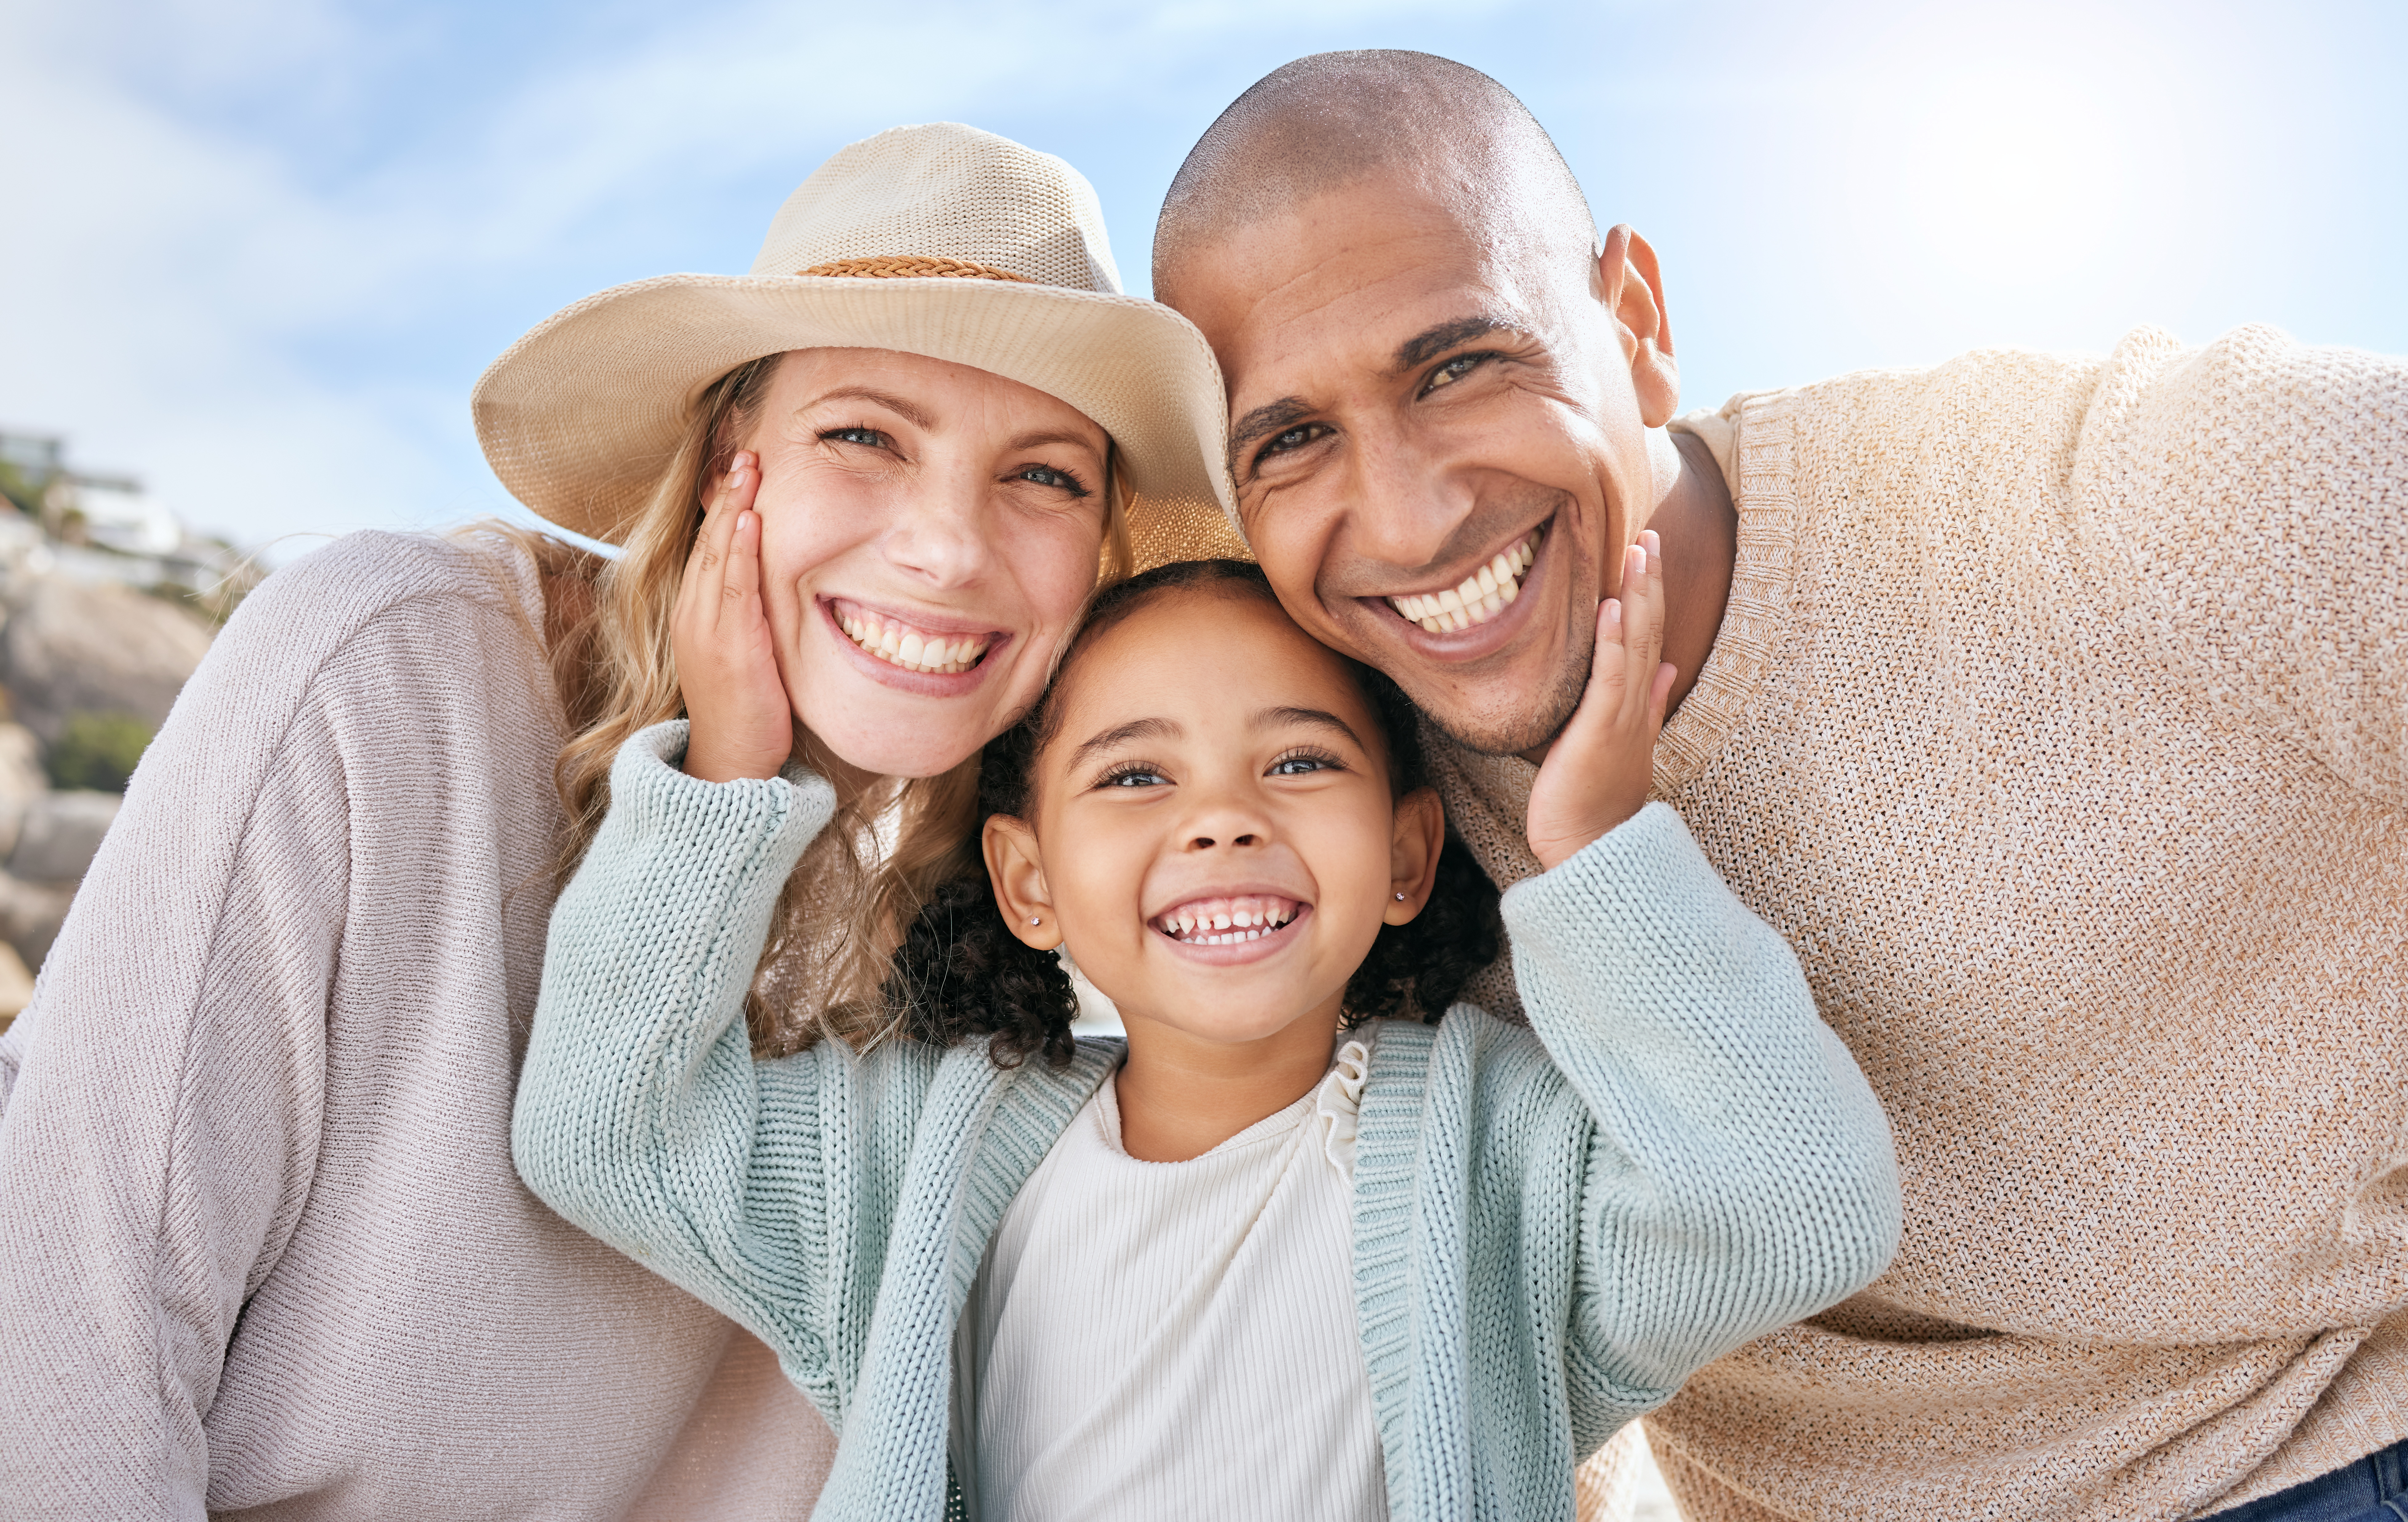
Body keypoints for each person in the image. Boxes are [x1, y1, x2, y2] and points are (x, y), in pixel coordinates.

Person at [1146, 49, 2408, 1522]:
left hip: (2315, 1446)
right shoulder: (1338, 809)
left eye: (1461, 365)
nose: (1413, 517)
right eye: (1293, 440)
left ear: (1634, 323)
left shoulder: (2139, 500)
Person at [0, 121, 1230, 1519]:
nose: (948, 544)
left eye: (1046, 474)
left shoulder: (1019, 933)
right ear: (726, 461)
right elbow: (67, 1346)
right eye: (862, 436)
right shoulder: (396, 678)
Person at [511, 547, 1901, 1521]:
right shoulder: (913, 1154)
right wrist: (728, 773)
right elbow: (605, 1132)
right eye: (1133, 774)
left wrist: (1596, 854)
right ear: (1028, 882)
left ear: (1410, 855)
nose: (1223, 817)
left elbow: (1795, 1210)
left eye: (1299, 760)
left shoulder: (1510, 1162)